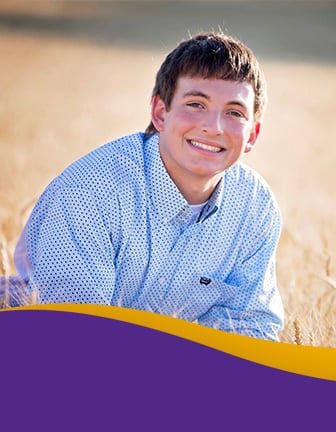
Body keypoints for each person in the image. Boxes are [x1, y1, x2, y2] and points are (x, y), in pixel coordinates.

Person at [1, 32, 284, 340]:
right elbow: (74, 337)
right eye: (195, 103)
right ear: (160, 113)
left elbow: (252, 330)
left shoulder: (255, 208)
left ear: (253, 135)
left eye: (234, 112)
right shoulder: (89, 193)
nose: (213, 127)